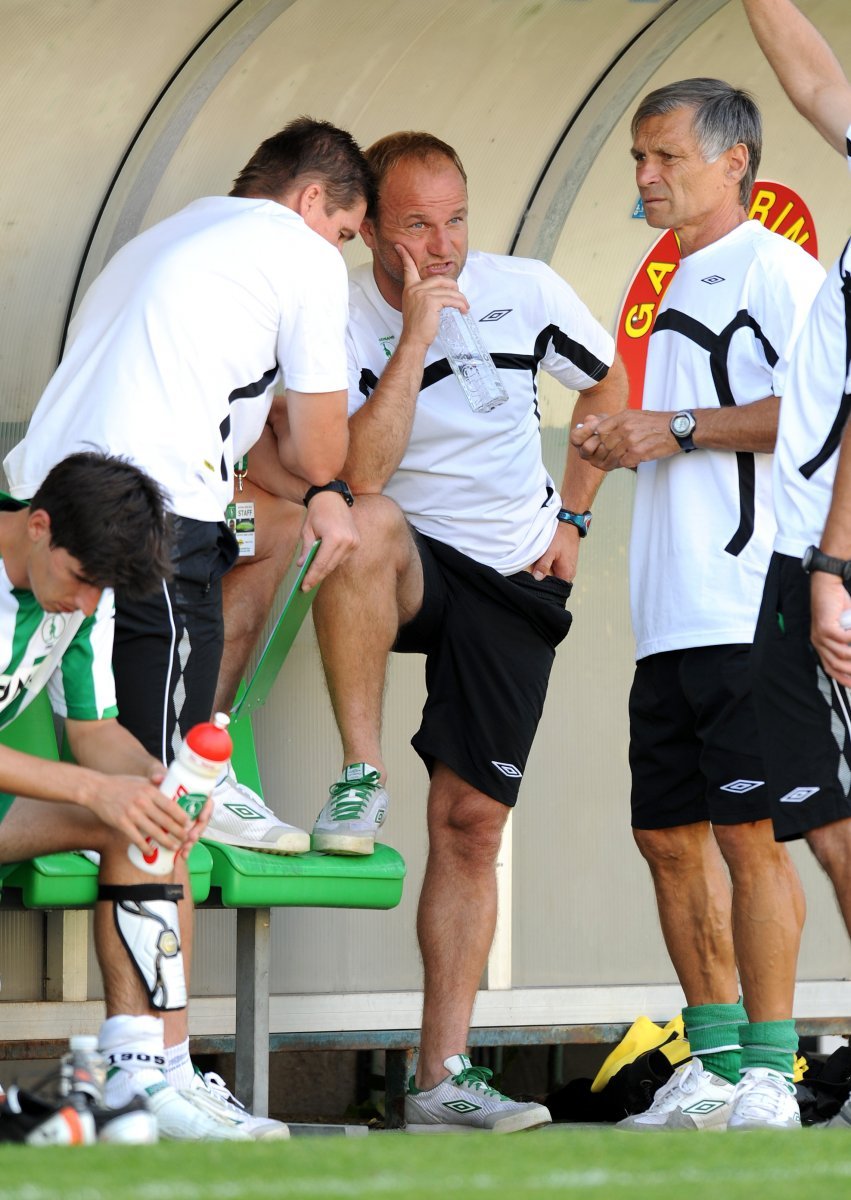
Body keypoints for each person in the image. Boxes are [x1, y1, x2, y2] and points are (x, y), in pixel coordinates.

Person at [2, 116, 374, 1134]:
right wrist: (334, 488)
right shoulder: (298, 254)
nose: (335, 252)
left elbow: (94, 743)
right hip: (152, 501)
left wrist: (139, 790)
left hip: (99, 490)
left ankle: (144, 1071)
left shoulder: (169, 235)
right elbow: (315, 432)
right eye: (345, 231)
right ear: (313, 204)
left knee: (154, 799)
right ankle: (164, 1064)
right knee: (151, 790)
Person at [293, 130, 628, 1133]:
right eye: (413, 226)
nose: (440, 247)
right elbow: (356, 479)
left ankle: (442, 1078)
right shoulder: (340, 319)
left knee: (471, 825)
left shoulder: (522, 288)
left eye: (453, 221)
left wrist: (573, 517)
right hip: (411, 563)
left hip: (515, 573)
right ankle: (360, 768)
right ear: (373, 238)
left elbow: (607, 386)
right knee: (365, 522)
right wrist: (412, 342)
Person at [572, 78, 825, 1131]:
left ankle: (770, 1068)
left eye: (663, 158)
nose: (643, 178)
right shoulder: (667, 276)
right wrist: (617, 443)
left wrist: (671, 428)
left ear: (734, 163)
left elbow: (815, 413)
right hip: (666, 612)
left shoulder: (779, 270)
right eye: (637, 158)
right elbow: (674, 423)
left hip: (748, 600)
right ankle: (712, 1063)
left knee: (748, 837)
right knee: (667, 837)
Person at [0, 451, 250, 1141]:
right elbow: (85, 771)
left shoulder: (83, 593)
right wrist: (94, 790)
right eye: (81, 581)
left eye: (99, 592)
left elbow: (92, 729)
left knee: (139, 824)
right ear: (38, 525)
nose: (84, 605)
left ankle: (140, 1074)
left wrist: (153, 786)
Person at [741, 0, 851, 1131]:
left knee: (832, 819)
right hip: (814, 545)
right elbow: (815, 81)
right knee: (825, 818)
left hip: (829, 553)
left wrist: (829, 566)